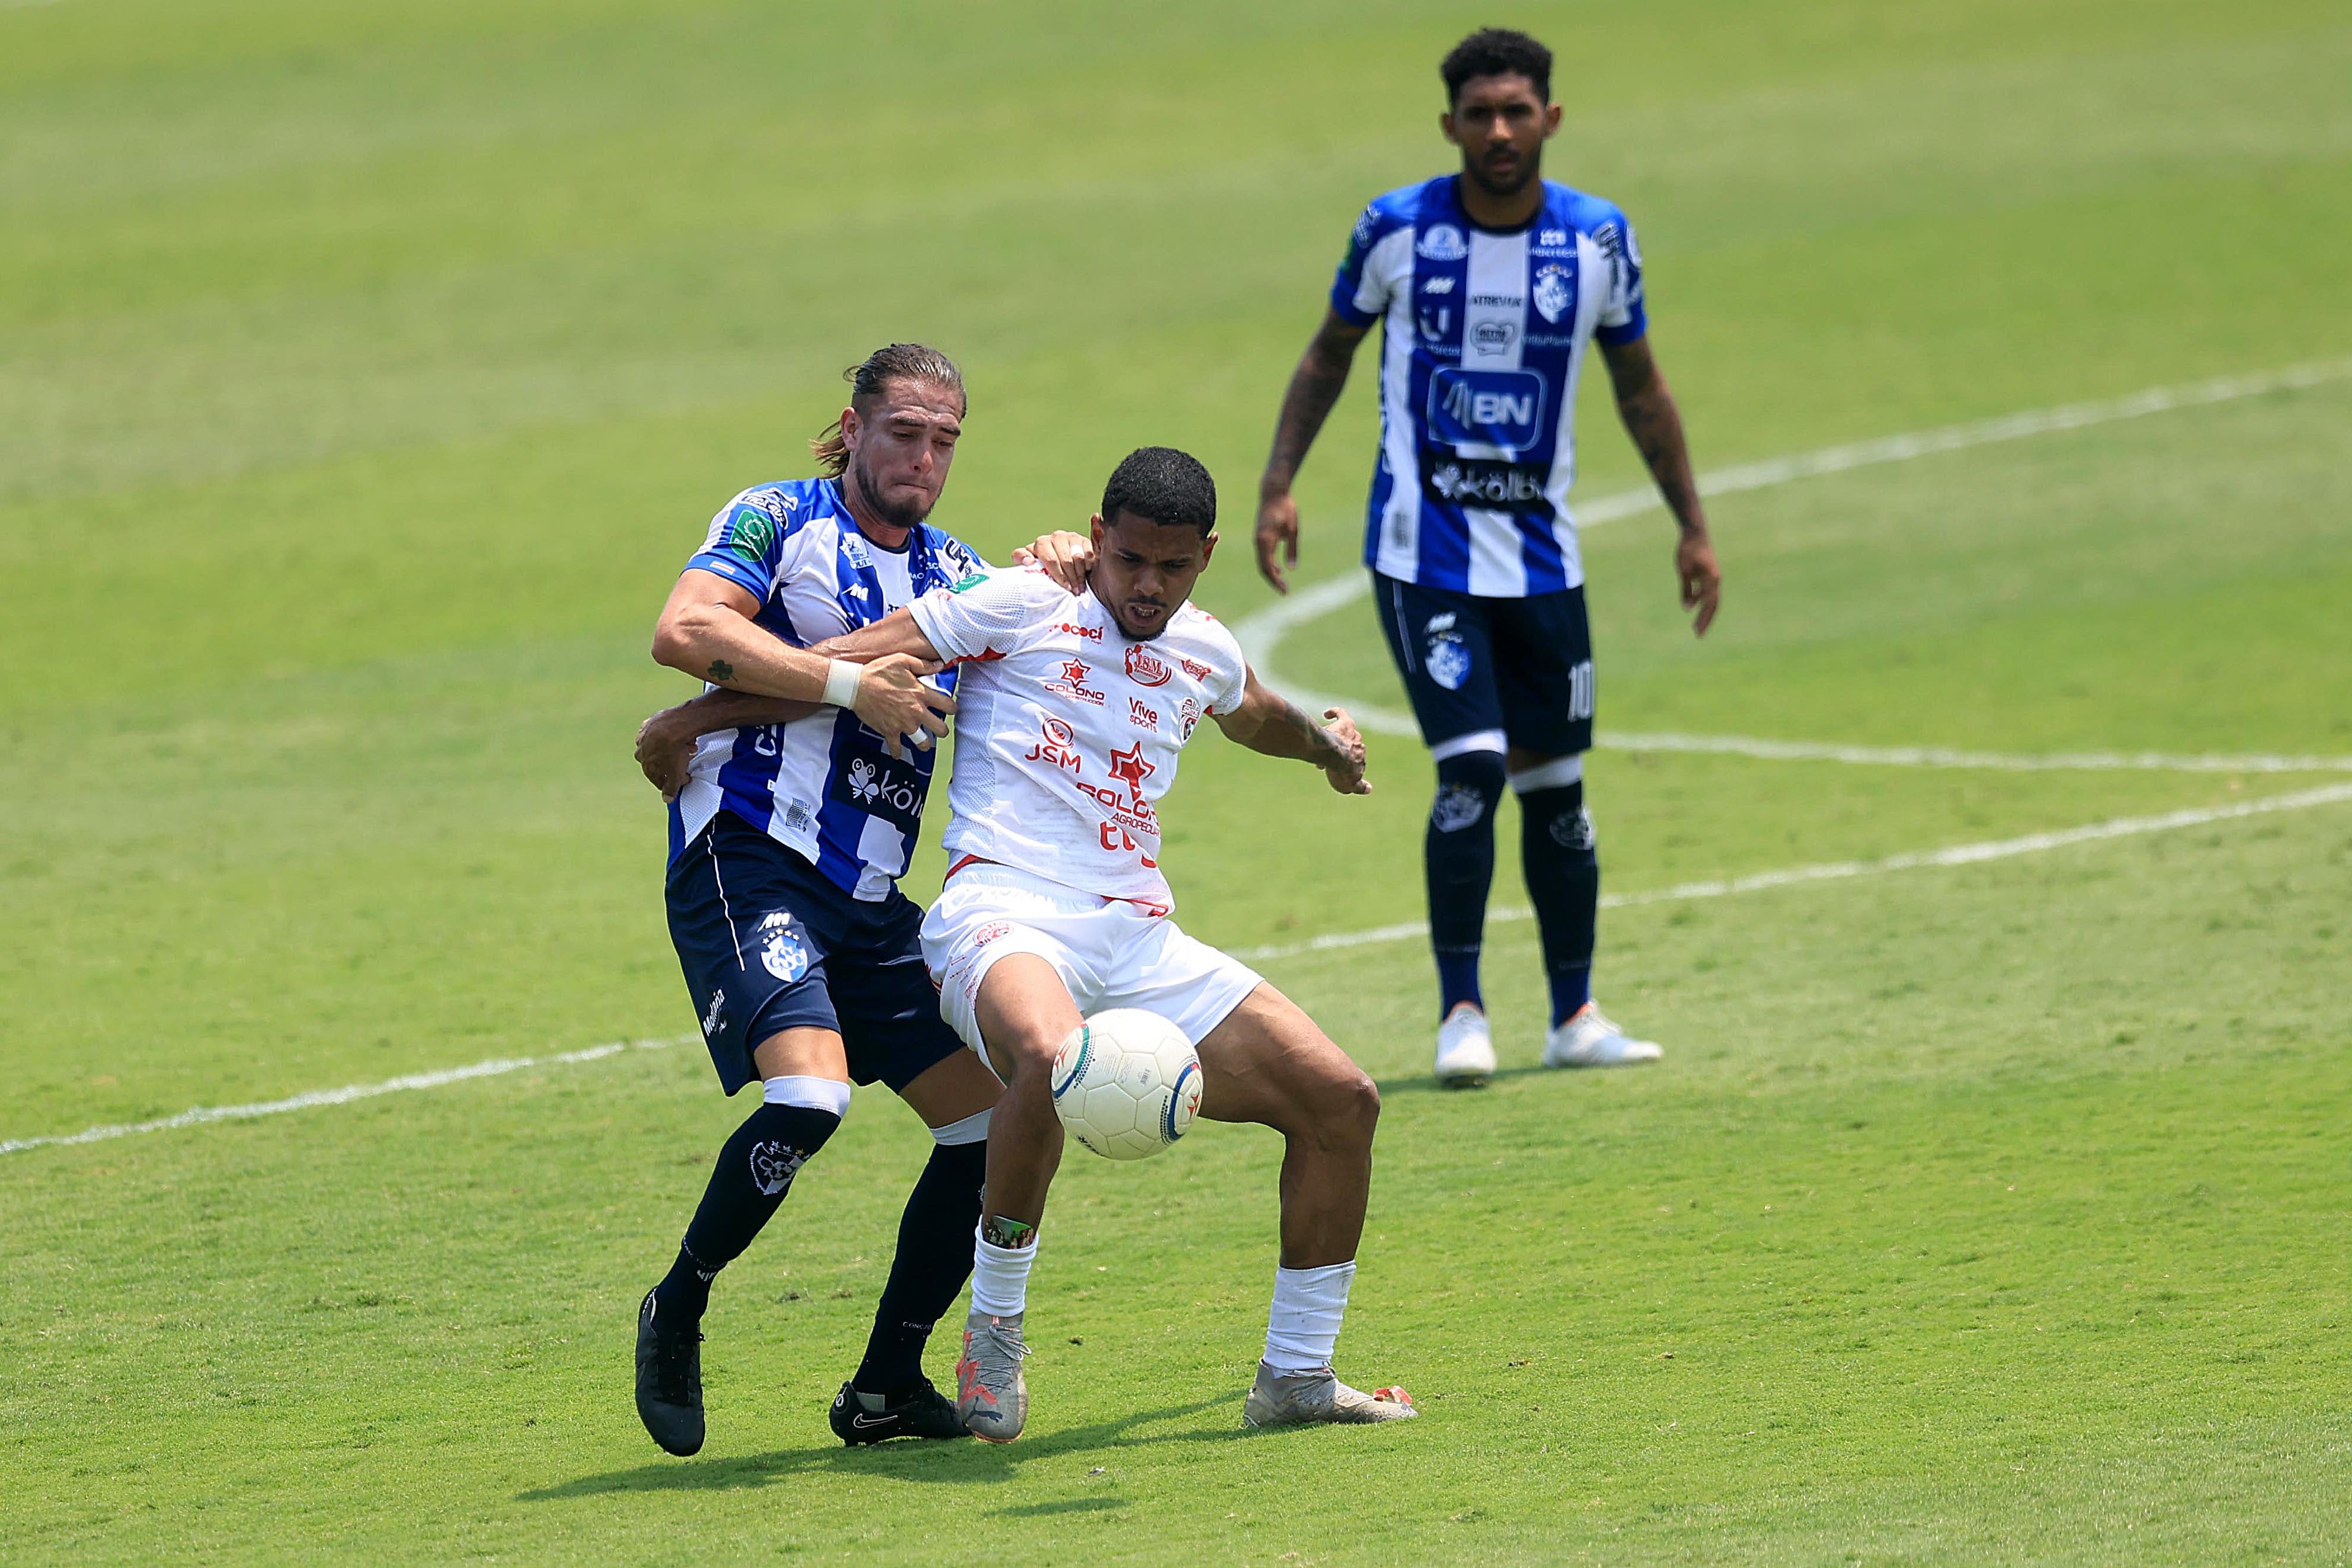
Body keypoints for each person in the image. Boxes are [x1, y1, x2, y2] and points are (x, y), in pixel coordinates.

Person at [803, 446, 1414, 1442]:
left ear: (1205, 558)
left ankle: (1297, 1376)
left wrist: (1330, 751)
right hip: (1001, 913)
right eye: (1129, 560)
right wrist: (704, 713)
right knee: (1046, 1057)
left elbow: (1252, 713)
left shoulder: (1203, 648)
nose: (1147, 586)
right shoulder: (1022, 602)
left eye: (1173, 569)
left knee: (1342, 1102)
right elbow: (866, 651)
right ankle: (993, 1336)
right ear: (1097, 537)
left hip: (1137, 937)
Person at [629, 343, 1088, 1456]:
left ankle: (886, 1382)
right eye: (904, 433)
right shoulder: (778, 518)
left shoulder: (960, 573)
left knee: (993, 1124)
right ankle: (676, 1308)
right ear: (855, 427)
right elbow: (685, 631)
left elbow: (1065, 635)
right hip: (751, 855)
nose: (923, 458)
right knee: (812, 1100)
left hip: (873, 897)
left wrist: (1071, 565)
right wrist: (845, 686)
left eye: (944, 441)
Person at [1252, 27, 1724, 1088]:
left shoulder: (1598, 243)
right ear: (1451, 125)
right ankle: (1462, 1012)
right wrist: (1280, 485)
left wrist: (1691, 524)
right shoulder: (1396, 231)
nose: (1501, 131)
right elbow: (1329, 353)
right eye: (1481, 114)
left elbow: (1641, 387)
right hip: (1425, 553)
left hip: (1546, 563)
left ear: (1551, 118)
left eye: (1519, 111)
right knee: (1470, 769)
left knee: (1557, 786)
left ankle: (1575, 1014)